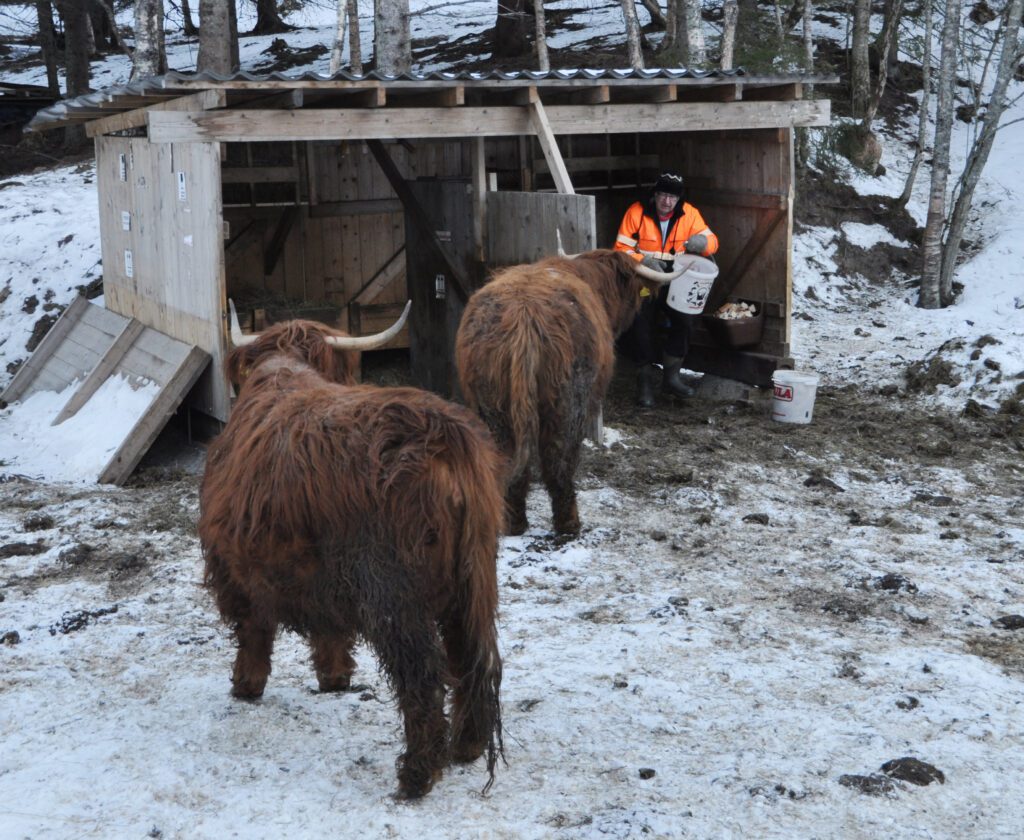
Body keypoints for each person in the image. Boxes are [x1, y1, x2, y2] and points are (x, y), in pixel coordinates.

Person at [614, 171, 719, 407]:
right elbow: (620, 249)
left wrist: (703, 244)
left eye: (672, 197)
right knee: (640, 322)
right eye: (663, 195)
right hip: (646, 278)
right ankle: (644, 382)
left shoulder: (690, 214)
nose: (667, 201)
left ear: (678, 199)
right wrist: (641, 261)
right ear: (655, 194)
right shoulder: (636, 212)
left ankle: (671, 377)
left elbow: (712, 240)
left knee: (685, 320)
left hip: (678, 277)